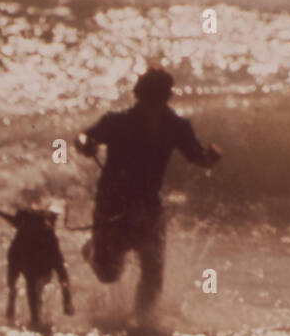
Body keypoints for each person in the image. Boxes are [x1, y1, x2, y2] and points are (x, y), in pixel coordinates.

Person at [76, 67, 221, 317]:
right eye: (151, 95)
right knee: (109, 275)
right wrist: (86, 145)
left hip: (149, 205)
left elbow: (196, 157)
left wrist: (210, 157)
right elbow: (81, 138)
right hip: (113, 202)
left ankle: (142, 323)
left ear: (167, 95)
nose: (155, 100)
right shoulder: (116, 122)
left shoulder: (177, 126)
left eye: (160, 94)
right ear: (140, 95)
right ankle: (91, 249)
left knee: (153, 271)